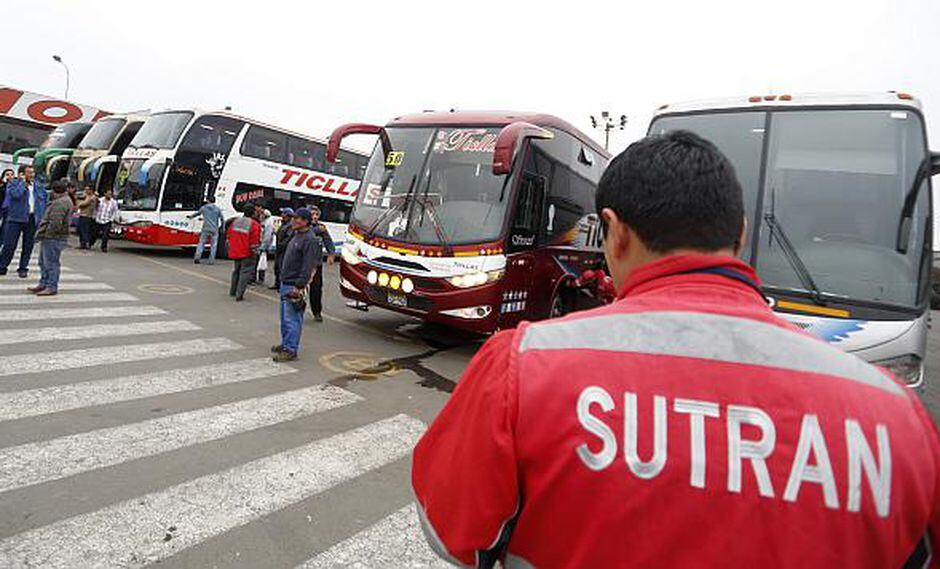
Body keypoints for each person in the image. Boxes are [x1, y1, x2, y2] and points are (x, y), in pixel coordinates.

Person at [411, 131, 940, 568]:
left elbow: (451, 533)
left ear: (614, 233)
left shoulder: (522, 366)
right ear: (740, 235)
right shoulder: (896, 418)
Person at [272, 207, 321, 362]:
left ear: (305, 221)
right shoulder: (296, 235)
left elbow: (308, 266)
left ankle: (291, 350)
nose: (293, 221)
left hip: (294, 285)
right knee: (285, 318)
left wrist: (299, 286)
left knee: (292, 319)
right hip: (285, 281)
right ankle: (286, 343)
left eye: (296, 218)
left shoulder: (310, 240)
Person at [0, 165, 47, 278]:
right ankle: (2, 265)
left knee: (28, 245)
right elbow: (15, 195)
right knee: (9, 245)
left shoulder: (38, 186)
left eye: (33, 172)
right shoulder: (13, 184)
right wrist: (22, 184)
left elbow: (44, 200)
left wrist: (41, 217)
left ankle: (23, 267)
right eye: (29, 173)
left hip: (32, 218)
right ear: (21, 174)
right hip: (15, 218)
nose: (32, 175)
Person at [30, 180, 73, 296]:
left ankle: (51, 286)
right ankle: (44, 283)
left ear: (55, 191)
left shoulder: (60, 203)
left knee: (51, 263)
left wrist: (47, 234)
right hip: (53, 236)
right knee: (43, 262)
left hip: (53, 237)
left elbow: (55, 222)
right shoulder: (63, 200)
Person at [226, 202, 261, 301]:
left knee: (236, 271)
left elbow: (229, 235)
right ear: (253, 213)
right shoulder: (254, 224)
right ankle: (239, 294)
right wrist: (255, 252)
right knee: (245, 273)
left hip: (236, 251)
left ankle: (233, 291)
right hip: (247, 252)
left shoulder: (236, 221)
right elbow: (254, 241)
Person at [307, 205, 335, 322]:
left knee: (316, 289)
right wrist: (317, 230)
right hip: (303, 263)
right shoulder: (303, 226)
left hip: (316, 263)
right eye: (312, 214)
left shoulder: (321, 228)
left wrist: (331, 254)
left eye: (316, 214)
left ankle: (317, 311)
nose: (315, 217)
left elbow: (328, 241)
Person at [188, 196, 223, 265]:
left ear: (208, 200)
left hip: (205, 228)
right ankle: (211, 261)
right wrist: (223, 227)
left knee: (201, 243)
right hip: (215, 229)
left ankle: (197, 257)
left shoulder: (204, 208)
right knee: (214, 245)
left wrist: (190, 216)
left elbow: (197, 213)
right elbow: (222, 219)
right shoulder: (217, 209)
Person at [271, 207, 294, 290]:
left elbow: (288, 238)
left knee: (282, 267)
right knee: (277, 267)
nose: (281, 215)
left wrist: (281, 245)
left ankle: (281, 285)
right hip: (279, 249)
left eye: (283, 213)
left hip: (284, 250)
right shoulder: (283, 224)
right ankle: (277, 283)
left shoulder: (290, 226)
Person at [91, 188, 119, 252]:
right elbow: (95, 207)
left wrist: (112, 219)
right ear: (105, 194)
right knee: (94, 233)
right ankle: (91, 242)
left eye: (110, 194)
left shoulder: (113, 202)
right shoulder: (100, 200)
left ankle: (104, 247)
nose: (109, 195)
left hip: (107, 220)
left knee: (105, 235)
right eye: (108, 194)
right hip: (99, 219)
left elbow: (115, 211)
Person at [75, 185, 98, 250]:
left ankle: (86, 244)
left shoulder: (92, 197)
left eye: (87, 190)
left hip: (87, 216)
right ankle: (82, 243)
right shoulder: (87, 196)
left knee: (85, 231)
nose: (86, 191)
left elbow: (83, 204)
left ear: (91, 190)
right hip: (83, 215)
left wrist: (79, 202)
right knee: (80, 230)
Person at [258, 209, 275, 285]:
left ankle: (261, 278)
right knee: (261, 262)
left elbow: (267, 236)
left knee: (262, 262)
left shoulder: (268, 223)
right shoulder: (264, 222)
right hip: (262, 244)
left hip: (263, 245)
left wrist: (264, 246)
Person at [0, 168, 13, 234]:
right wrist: (4, 183)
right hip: (1, 207)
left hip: (9, 209)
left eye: (12, 174)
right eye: (7, 175)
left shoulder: (14, 185)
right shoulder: (2, 184)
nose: (10, 176)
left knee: (5, 227)